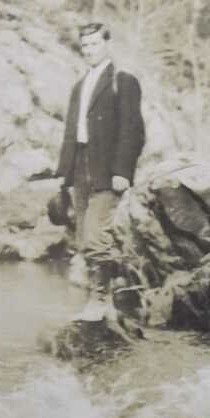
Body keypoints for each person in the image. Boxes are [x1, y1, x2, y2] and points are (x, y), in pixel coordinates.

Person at [56, 21, 145, 320]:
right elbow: (71, 132)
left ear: (107, 44)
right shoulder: (78, 87)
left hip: (107, 168)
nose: (90, 50)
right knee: (83, 236)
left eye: (95, 44)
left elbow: (133, 130)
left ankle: (100, 300)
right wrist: (63, 173)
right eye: (85, 46)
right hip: (80, 166)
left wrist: (122, 171)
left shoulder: (123, 81)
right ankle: (114, 290)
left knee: (96, 236)